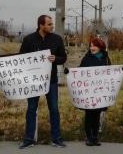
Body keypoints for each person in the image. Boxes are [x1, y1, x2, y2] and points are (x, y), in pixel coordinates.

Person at [19, 15, 67, 149]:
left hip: (50, 81)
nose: (52, 26)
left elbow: (63, 57)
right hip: (33, 81)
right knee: (31, 109)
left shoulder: (57, 39)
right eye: (49, 24)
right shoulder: (29, 39)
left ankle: (56, 139)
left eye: (52, 24)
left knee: (54, 109)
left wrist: (55, 58)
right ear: (41, 25)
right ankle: (28, 139)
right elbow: (21, 57)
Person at [78, 38, 111, 146]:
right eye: (90, 46)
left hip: (100, 92)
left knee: (97, 115)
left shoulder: (106, 59)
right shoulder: (86, 58)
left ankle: (95, 137)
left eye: (94, 46)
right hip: (89, 92)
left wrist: (120, 70)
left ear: (100, 47)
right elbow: (79, 71)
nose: (91, 48)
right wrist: (69, 72)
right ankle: (88, 137)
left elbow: (110, 72)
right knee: (89, 114)